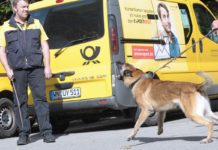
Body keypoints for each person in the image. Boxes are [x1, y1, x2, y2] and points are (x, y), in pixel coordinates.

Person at [0, 0, 55, 145]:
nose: (26, 9)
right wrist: (8, 70)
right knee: (20, 103)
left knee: (40, 100)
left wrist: (47, 66)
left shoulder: (36, 23)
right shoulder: (5, 27)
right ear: (14, 8)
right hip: (17, 71)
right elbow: (1, 51)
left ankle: (47, 132)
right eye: (23, 6)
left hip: (36, 68)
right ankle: (24, 134)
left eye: (27, 6)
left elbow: (45, 45)